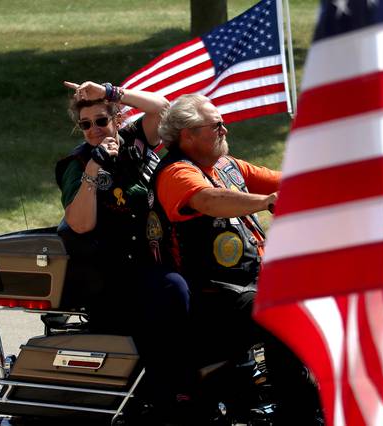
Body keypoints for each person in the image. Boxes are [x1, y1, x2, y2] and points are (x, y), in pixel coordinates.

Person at [155, 94, 320, 423]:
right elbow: (209, 200)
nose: (225, 130)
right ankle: (300, 416)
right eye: (216, 126)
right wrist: (266, 201)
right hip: (216, 295)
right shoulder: (176, 173)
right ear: (188, 135)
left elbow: (289, 181)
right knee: (285, 315)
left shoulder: (227, 166)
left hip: (251, 283)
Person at [54, 81, 196, 417]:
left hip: (156, 259)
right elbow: (80, 223)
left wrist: (110, 91)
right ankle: (171, 400)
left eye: (101, 121)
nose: (94, 130)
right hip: (113, 274)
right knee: (172, 292)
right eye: (86, 124)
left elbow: (163, 107)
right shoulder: (77, 163)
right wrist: (93, 169)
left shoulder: (135, 139)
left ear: (118, 120)